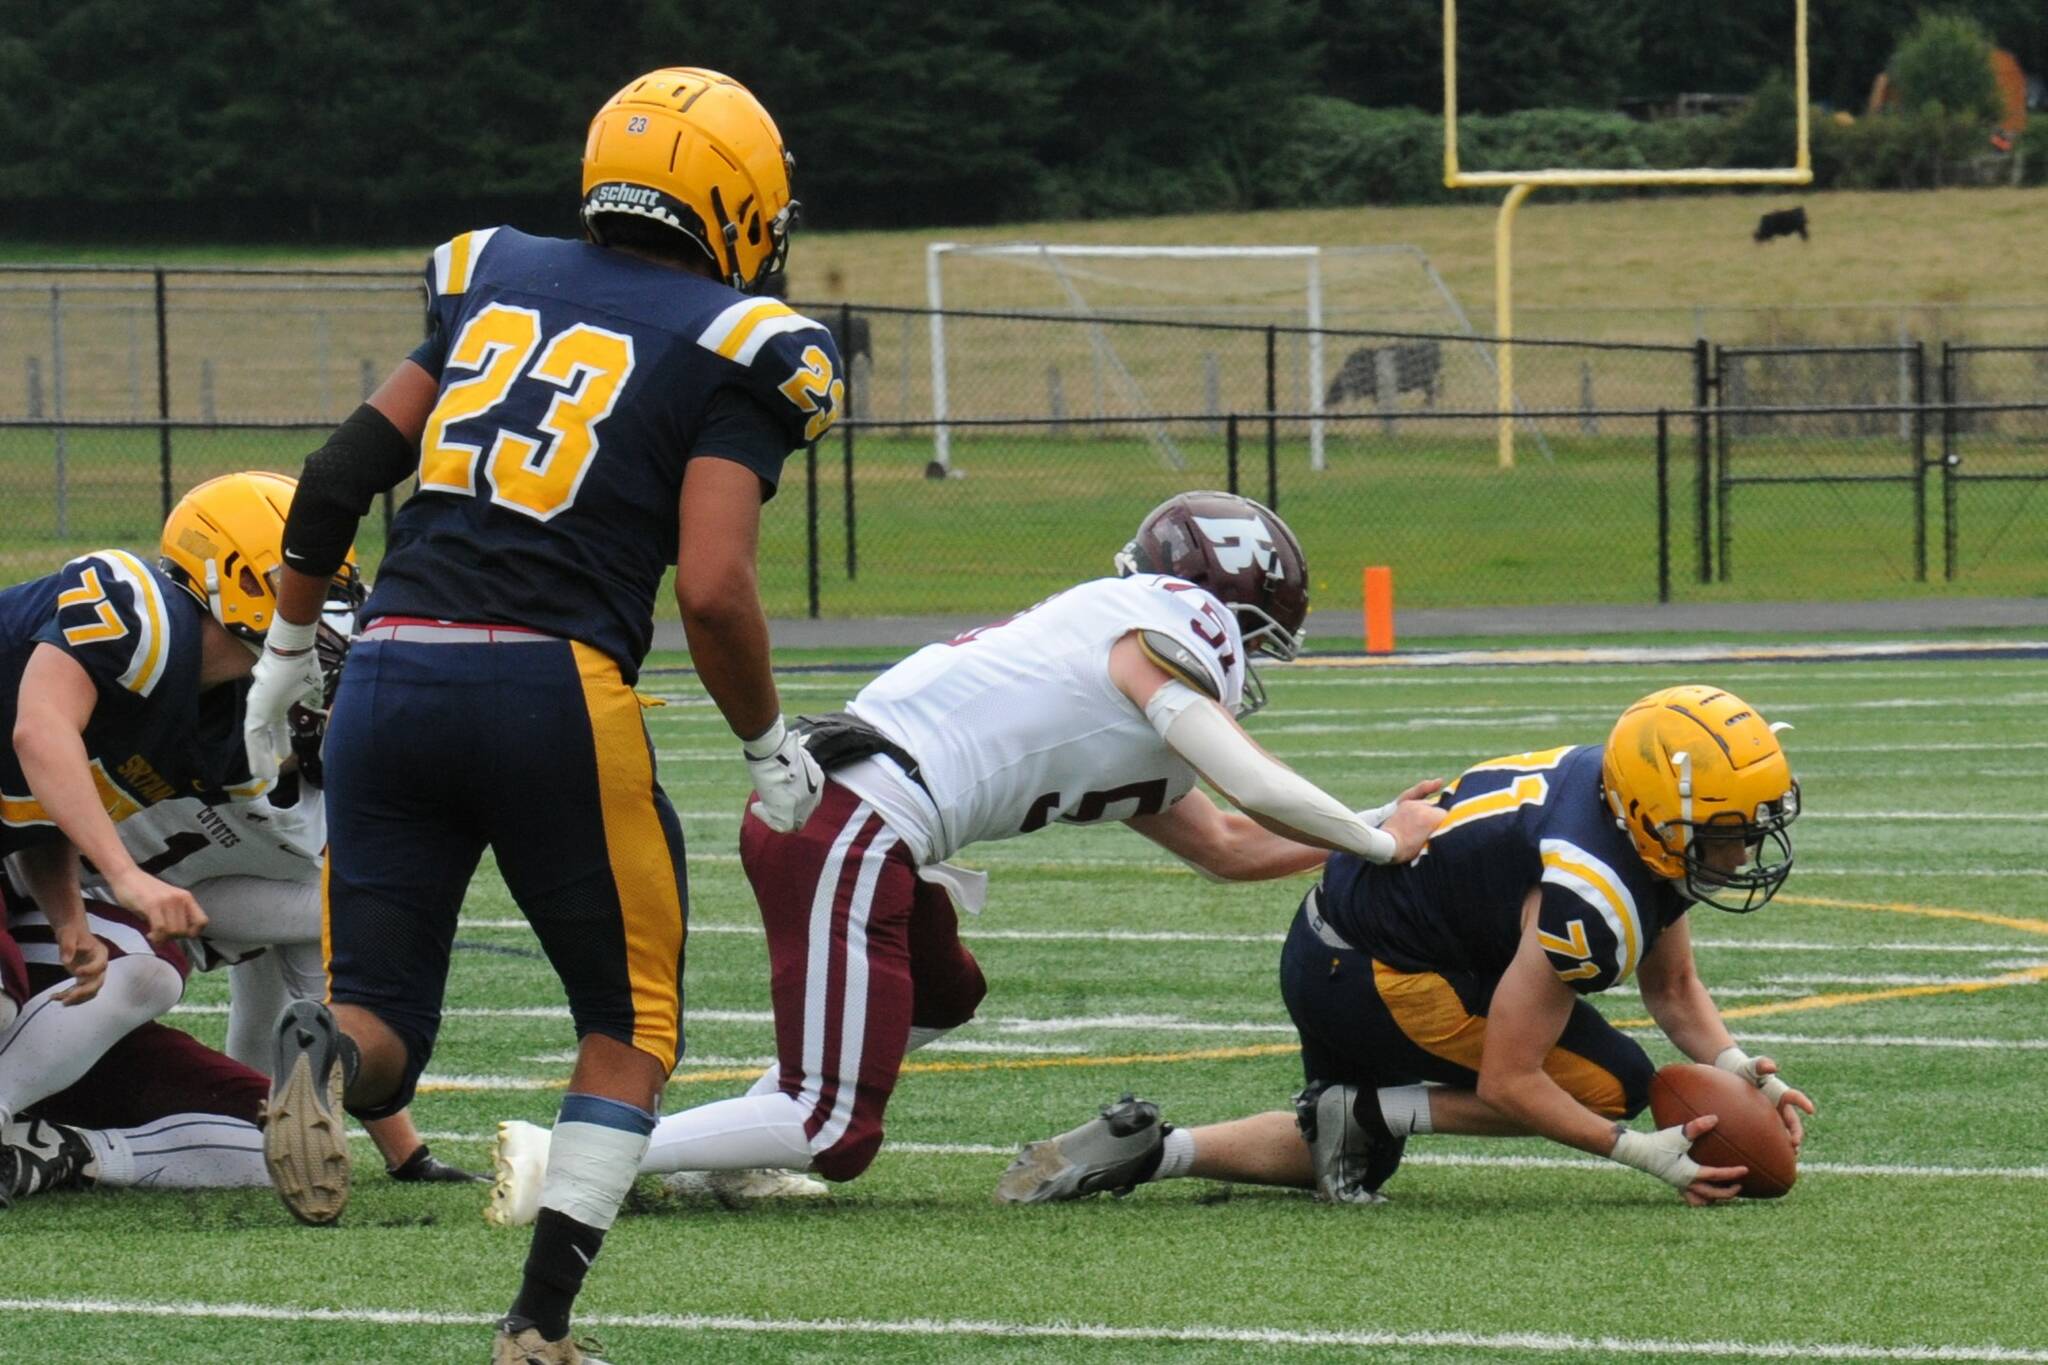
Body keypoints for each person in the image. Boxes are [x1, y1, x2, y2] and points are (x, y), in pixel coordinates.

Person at [238, 67, 840, 1363]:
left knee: (380, 1024)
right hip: (552, 683)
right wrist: (766, 742)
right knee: (632, 1024)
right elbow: (719, 587)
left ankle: (316, 1055)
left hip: (389, 669)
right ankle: (537, 1325)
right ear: (735, 200)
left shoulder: (490, 271)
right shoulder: (749, 340)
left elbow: (343, 471)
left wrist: (289, 643)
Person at [486, 490, 1446, 1226]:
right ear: (1222, 606)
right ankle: (571, 1157)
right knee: (834, 1129)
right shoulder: (1166, 619)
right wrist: (1373, 840)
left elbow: (1234, 844)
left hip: (862, 823)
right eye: (1253, 640)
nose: (1248, 665)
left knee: (944, 991)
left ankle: (727, 1146)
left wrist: (1383, 819)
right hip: (852, 819)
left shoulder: (1114, 670)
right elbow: (1258, 786)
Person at [997, 685, 1816, 1208]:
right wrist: (1641, 1151)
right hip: (1373, 968)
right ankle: (1362, 1111)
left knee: (1348, 1150)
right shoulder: (1591, 888)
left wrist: (1745, 1067)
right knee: (1616, 1083)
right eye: (1725, 833)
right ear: (1653, 812)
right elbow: (1509, 1077)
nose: (1742, 852)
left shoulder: (1623, 796)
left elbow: (1672, 990)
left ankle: (1150, 1151)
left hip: (1358, 935)